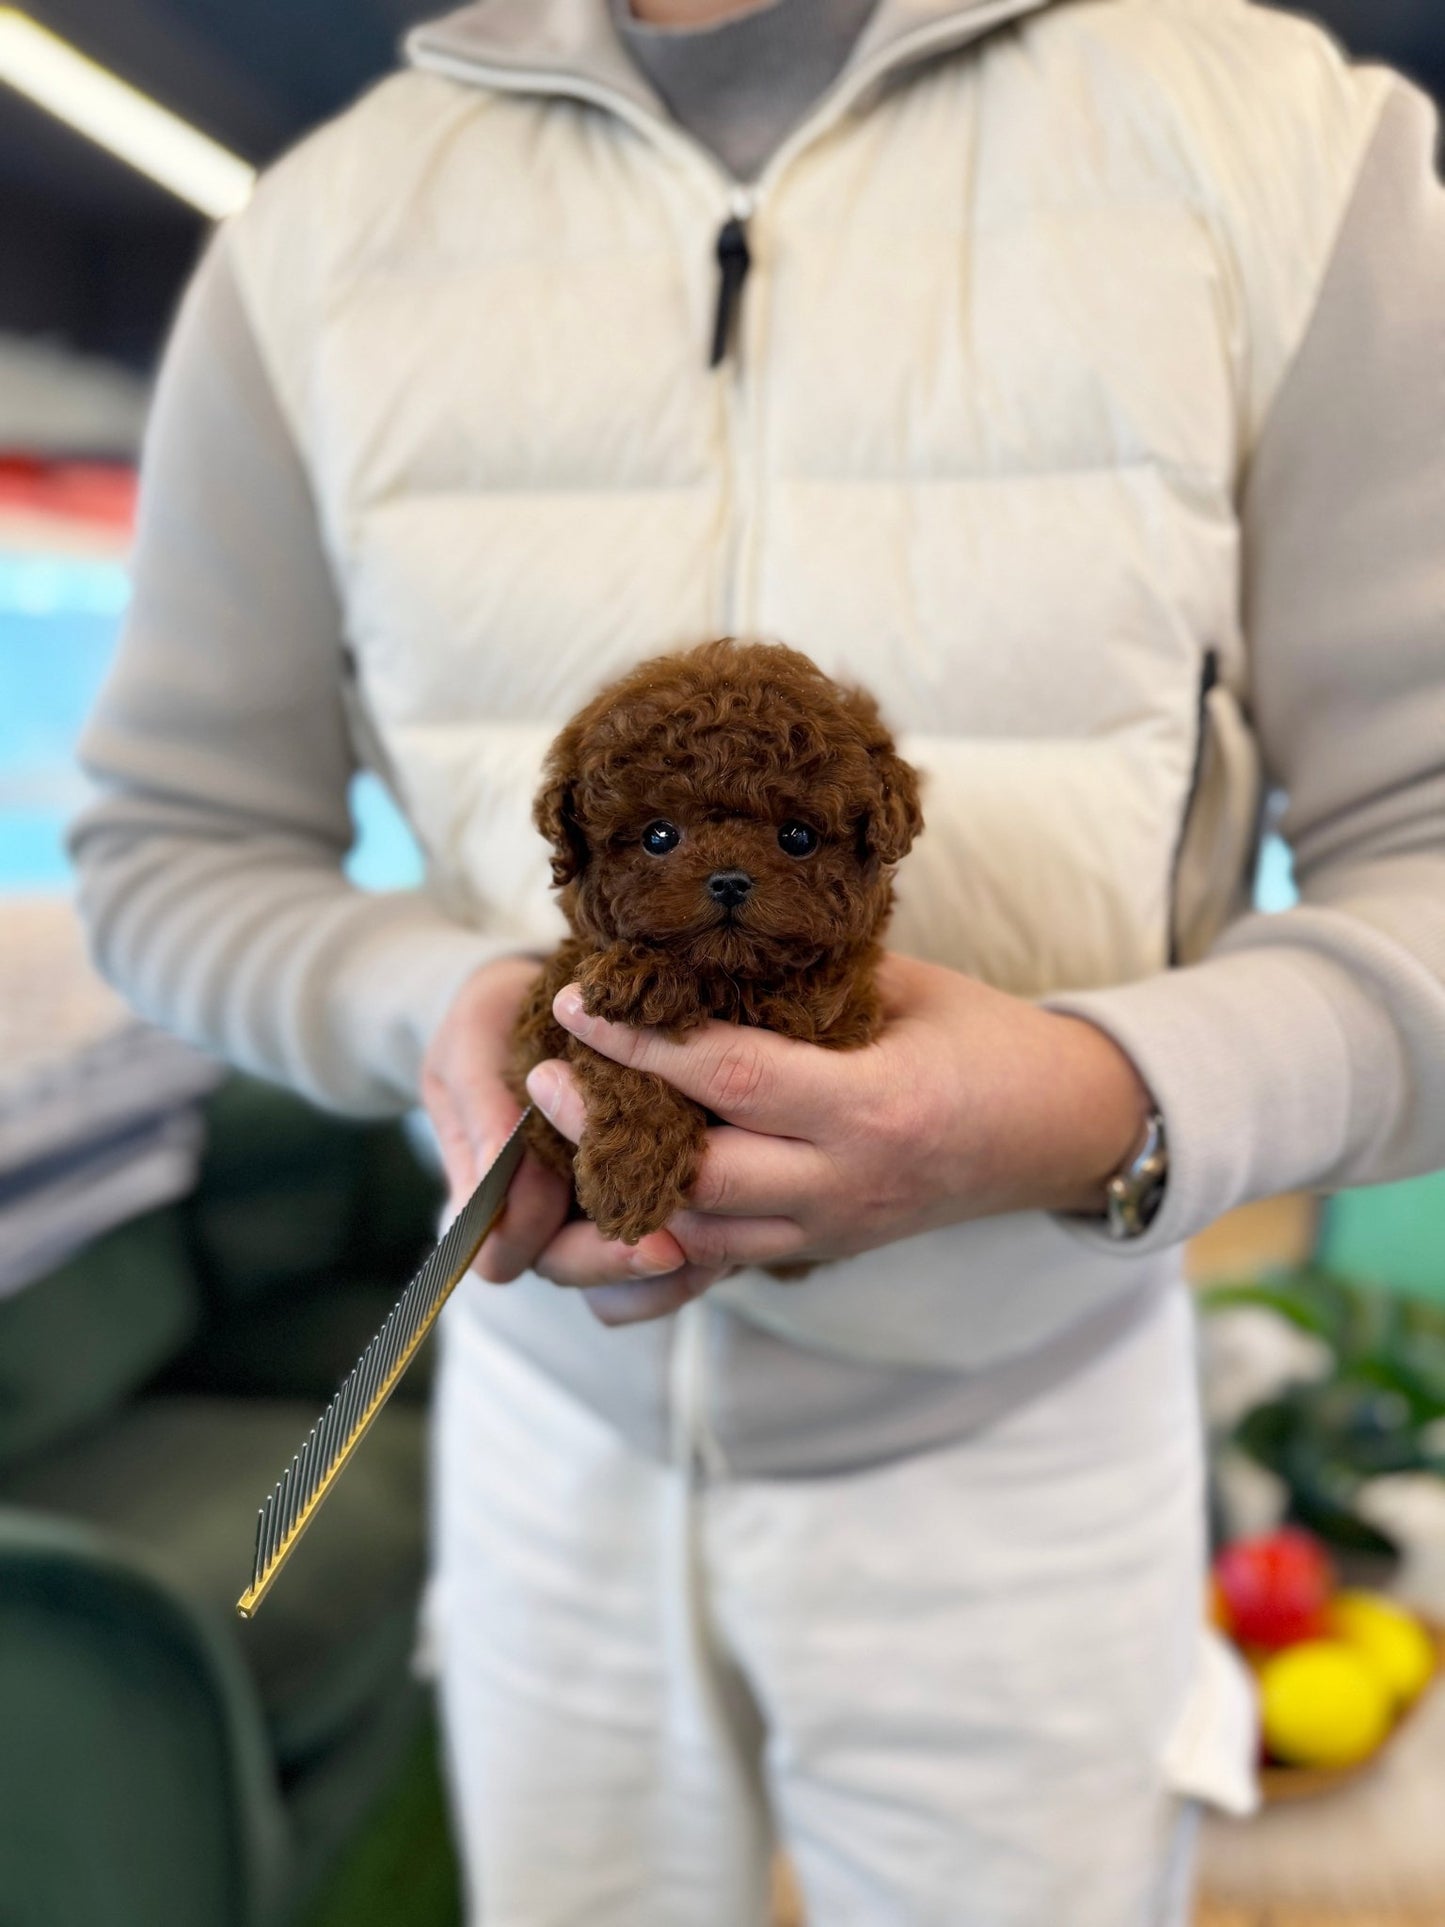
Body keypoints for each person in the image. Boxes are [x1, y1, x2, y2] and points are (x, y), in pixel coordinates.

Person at [68, 0, 1445, 1920]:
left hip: (1020, 1446)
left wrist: (1096, 1100)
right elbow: (169, 845)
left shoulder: (1277, 140)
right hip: (539, 1432)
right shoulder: (322, 226)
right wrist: (437, 1014)